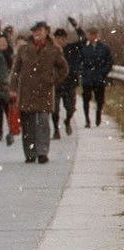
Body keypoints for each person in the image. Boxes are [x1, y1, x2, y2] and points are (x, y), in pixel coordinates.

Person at [9, 21, 69, 164]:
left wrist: (52, 79)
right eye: (35, 31)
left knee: (43, 122)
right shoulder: (24, 49)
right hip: (26, 91)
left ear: (46, 32)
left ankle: (42, 152)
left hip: (44, 91)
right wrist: (13, 89)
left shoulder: (54, 49)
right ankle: (30, 153)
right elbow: (15, 71)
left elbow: (64, 69)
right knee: (28, 124)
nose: (37, 34)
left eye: (40, 31)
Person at [51, 19, 86, 138]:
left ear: (66, 39)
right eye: (57, 38)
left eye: (62, 38)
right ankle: (56, 130)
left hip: (70, 83)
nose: (60, 41)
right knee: (54, 109)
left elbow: (83, 39)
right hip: (55, 83)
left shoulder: (72, 48)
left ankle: (67, 121)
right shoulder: (51, 51)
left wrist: (77, 27)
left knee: (70, 108)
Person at [79, 26, 113, 128]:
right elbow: (79, 61)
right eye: (90, 34)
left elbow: (109, 61)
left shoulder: (104, 48)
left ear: (97, 35)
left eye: (94, 34)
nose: (92, 36)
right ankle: (87, 120)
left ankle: (98, 116)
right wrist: (83, 72)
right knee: (86, 99)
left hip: (99, 77)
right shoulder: (83, 47)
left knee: (100, 100)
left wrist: (103, 72)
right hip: (87, 78)